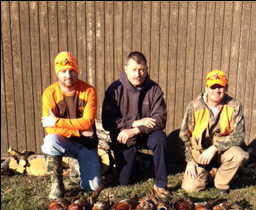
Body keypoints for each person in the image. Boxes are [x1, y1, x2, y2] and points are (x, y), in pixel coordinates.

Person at [102, 51, 169, 197]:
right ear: (126, 69)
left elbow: (160, 119)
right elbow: (108, 121)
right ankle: (139, 164)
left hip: (147, 134)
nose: (138, 74)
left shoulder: (154, 89)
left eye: (141, 70)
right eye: (134, 70)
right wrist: (133, 123)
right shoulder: (114, 89)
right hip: (124, 138)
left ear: (146, 69)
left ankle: (160, 184)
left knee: (160, 138)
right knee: (124, 182)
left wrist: (136, 129)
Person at [41, 51, 101, 199]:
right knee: (50, 141)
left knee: (92, 188)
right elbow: (50, 128)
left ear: (77, 72)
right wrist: (79, 132)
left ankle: (77, 164)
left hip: (86, 144)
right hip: (66, 141)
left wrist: (57, 121)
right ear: (57, 73)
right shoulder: (50, 93)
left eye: (71, 71)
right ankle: (56, 184)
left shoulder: (88, 91)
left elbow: (87, 123)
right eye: (63, 71)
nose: (68, 75)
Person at [179, 70, 249, 194]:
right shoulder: (194, 107)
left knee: (239, 155)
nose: (217, 90)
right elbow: (184, 137)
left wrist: (215, 148)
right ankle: (210, 174)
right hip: (199, 156)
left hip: (222, 152)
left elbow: (239, 135)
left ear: (226, 87)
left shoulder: (234, 106)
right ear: (206, 88)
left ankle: (221, 183)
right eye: (213, 87)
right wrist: (190, 161)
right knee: (190, 189)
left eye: (220, 86)